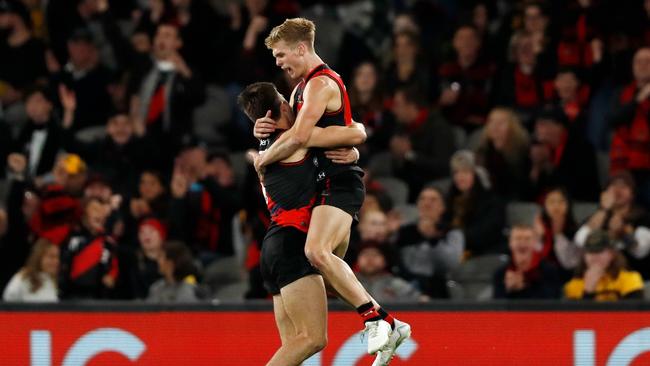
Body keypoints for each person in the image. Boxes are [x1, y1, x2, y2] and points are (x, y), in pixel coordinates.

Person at [251, 18, 411, 361]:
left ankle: (379, 320)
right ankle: (384, 322)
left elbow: (301, 137)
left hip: (338, 185)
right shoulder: (298, 91)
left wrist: (263, 159)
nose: (278, 62)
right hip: (322, 188)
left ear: (300, 48)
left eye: (281, 55)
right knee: (324, 270)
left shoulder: (321, 84)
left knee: (318, 255)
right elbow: (307, 136)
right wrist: (355, 135)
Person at [238, 81, 367, 365]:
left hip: (273, 248)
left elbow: (257, 157)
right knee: (312, 338)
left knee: (293, 347)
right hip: (293, 242)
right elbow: (354, 132)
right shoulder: (297, 141)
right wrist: (355, 150)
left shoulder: (266, 145)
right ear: (282, 106)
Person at [394, 186, 464, 298]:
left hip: (439, 289)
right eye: (422, 199)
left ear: (443, 207)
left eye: (433, 200)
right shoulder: (405, 231)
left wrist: (433, 239)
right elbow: (396, 262)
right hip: (405, 289)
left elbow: (451, 264)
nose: (426, 203)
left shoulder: (451, 232)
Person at [565, 229, 644, 301]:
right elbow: (577, 316)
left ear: (612, 254)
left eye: (600, 251)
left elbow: (634, 313)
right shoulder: (574, 285)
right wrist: (588, 291)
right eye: (590, 252)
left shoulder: (630, 279)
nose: (595, 256)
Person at [493, 224, 562, 299]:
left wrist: (523, 288)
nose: (522, 242)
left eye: (527, 239)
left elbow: (553, 302)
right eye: (518, 238)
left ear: (535, 243)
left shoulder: (549, 271)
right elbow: (496, 307)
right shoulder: (500, 274)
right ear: (510, 243)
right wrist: (508, 290)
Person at [355, 241, 426, 303]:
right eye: (365, 254)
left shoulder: (396, 284)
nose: (370, 259)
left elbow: (420, 301)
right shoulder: (349, 283)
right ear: (357, 260)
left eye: (375, 255)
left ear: (385, 261)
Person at [2, 238, 59, 302]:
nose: (56, 261)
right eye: (51, 257)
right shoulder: (24, 277)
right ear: (39, 257)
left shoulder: (51, 280)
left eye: (57, 257)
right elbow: (8, 300)